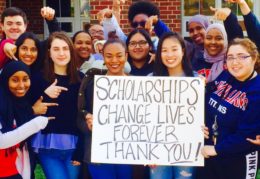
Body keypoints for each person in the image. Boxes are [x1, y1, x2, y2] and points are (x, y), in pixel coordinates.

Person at [200, 38, 260, 179]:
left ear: (254, 58)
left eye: (241, 56)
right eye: (230, 57)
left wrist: (216, 149)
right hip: (210, 155)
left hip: (237, 160)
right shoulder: (226, 76)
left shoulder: (257, 91)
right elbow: (209, 97)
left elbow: (247, 136)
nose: (235, 62)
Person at [29, 31, 82, 179]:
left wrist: (82, 149)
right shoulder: (38, 78)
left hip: (75, 146)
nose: (61, 53)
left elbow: (84, 115)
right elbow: (27, 109)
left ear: (71, 51)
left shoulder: (81, 79)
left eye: (65, 48)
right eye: (56, 49)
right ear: (49, 53)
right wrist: (44, 93)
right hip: (48, 147)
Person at [78, 39, 132, 179]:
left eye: (119, 55)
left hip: (127, 152)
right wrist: (88, 124)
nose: (114, 60)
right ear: (102, 56)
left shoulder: (137, 85)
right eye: (109, 56)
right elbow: (79, 115)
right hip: (99, 152)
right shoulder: (92, 84)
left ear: (126, 56)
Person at [149, 31, 196, 179]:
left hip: (187, 147)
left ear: (183, 51)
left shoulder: (196, 80)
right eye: (164, 50)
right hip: (157, 147)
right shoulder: (150, 80)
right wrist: (145, 149)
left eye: (174, 49)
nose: (169, 55)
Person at [0, 61, 50, 179]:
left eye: (25, 79)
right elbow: (1, 141)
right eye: (15, 80)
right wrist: (36, 123)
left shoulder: (22, 104)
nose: (21, 85)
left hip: (17, 170)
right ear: (5, 80)